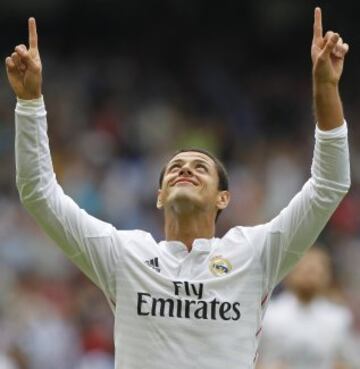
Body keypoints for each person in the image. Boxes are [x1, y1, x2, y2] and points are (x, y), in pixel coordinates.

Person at [6, 7, 350, 369]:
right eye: (175, 168)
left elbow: (329, 184)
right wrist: (30, 104)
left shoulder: (255, 254)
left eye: (200, 167)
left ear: (223, 198)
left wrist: (326, 88)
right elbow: (38, 192)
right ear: (159, 197)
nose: (185, 169)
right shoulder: (126, 256)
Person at [257, 247, 355, 369]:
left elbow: (348, 361)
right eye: (304, 268)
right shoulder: (268, 315)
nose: (309, 274)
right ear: (289, 272)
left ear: (327, 276)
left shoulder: (339, 318)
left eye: (316, 270)